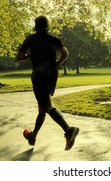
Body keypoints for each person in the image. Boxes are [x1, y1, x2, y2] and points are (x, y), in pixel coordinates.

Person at [16, 16, 79, 151]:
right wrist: (57, 64)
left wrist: (29, 56)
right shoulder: (53, 39)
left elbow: (19, 57)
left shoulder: (31, 39)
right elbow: (65, 52)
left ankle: (68, 130)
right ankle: (33, 136)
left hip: (38, 74)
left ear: (35, 25)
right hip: (52, 74)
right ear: (47, 25)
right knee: (42, 108)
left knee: (47, 105)